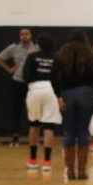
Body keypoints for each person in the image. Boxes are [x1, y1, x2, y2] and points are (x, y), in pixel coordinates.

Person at [52, 29, 93, 180]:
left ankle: (70, 171)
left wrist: (58, 96)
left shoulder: (61, 54)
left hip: (67, 94)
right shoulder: (91, 54)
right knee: (83, 132)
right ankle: (82, 171)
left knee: (69, 132)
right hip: (87, 94)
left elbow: (53, 77)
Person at [23, 33, 61, 171]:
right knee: (49, 126)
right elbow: (58, 78)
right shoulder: (56, 58)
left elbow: (25, 76)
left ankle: (33, 160)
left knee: (34, 124)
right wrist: (60, 96)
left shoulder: (32, 56)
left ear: (38, 45)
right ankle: (47, 162)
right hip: (51, 90)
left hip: (35, 88)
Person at [0, 28, 35, 146]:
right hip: (17, 82)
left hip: (31, 84)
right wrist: (9, 69)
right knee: (16, 110)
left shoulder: (36, 48)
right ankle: (15, 136)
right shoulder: (14, 48)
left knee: (33, 110)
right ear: (19, 36)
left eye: (26, 34)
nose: (24, 36)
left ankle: (33, 137)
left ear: (31, 36)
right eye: (22, 34)